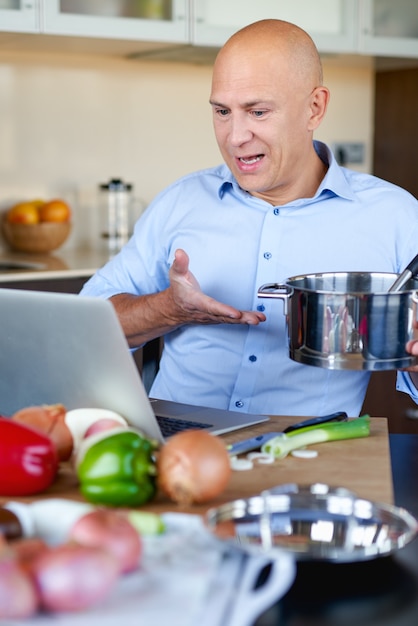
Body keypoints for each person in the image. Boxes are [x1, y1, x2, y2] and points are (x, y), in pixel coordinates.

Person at [81, 19, 418, 418]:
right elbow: (87, 329)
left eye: (257, 111)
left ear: (315, 107)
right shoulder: (181, 200)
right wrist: (170, 309)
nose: (235, 136)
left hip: (307, 456)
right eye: (222, 111)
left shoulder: (393, 216)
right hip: (175, 452)